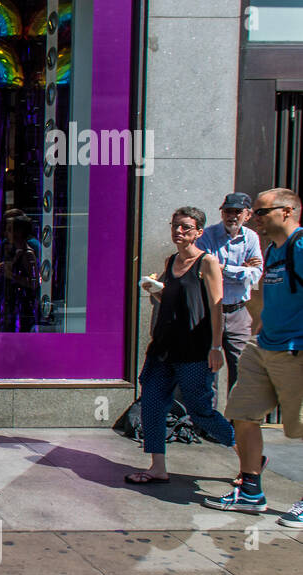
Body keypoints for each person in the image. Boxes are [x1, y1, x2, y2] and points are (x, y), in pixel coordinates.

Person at [207, 188, 303, 526]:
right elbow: (264, 293)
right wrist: (258, 328)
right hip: (263, 346)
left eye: (262, 212)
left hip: (296, 350)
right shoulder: (275, 250)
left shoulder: (300, 246)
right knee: (243, 413)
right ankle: (250, 491)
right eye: (256, 213)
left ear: (288, 211)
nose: (255, 218)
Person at [125, 207, 236, 484]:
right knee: (151, 404)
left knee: (201, 410)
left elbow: (215, 307)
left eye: (186, 227)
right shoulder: (171, 260)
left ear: (199, 232)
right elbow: (174, 301)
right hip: (163, 348)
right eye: (175, 226)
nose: (178, 231)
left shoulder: (207, 262)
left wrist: (216, 347)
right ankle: (157, 467)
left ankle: (248, 457)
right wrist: (155, 289)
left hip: (194, 351)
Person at [195, 192, 263, 393]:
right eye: (227, 211)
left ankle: (237, 423)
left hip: (238, 312)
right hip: (208, 311)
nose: (232, 216)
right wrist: (240, 269)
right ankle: (208, 422)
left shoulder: (251, 238)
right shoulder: (207, 235)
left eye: (237, 212)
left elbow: (255, 275)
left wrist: (223, 268)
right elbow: (203, 270)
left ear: (248, 215)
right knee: (208, 368)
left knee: (241, 369)